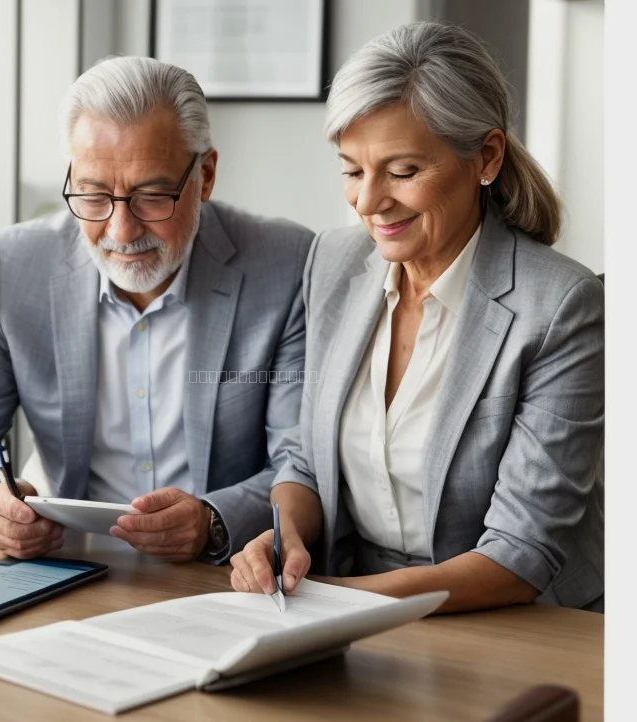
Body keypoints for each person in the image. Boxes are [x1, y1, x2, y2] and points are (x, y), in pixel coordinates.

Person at [229, 22, 604, 612]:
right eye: (352, 170)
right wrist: (284, 535)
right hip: (353, 607)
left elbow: (518, 553)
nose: (368, 201)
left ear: (486, 157)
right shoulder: (332, 262)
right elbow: (306, 458)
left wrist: (335, 600)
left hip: (519, 623)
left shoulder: (561, 306)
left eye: (402, 172)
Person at [0, 56, 314, 564]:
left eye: (151, 196)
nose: (121, 231)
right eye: (94, 195)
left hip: (221, 576)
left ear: (206, 176)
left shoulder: (284, 265)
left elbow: (300, 462)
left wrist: (214, 520)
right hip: (64, 569)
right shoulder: (13, 266)